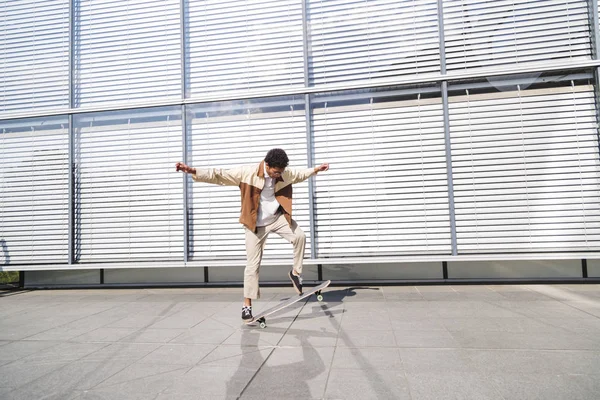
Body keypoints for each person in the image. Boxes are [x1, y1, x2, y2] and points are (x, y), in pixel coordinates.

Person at [176, 148, 329, 322]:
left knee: (299, 236)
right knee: (253, 265)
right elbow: (219, 175)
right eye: (275, 172)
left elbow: (299, 174)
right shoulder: (247, 173)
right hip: (255, 225)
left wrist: (315, 169)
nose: (277, 175)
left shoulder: (283, 173)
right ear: (267, 165)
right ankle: (247, 305)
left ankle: (295, 272)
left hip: (277, 218)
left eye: (280, 172)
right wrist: (192, 171)